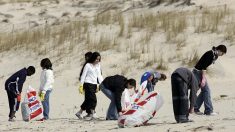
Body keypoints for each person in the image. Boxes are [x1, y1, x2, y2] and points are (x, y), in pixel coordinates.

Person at [193, 45, 227, 115]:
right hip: (197, 73)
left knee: (205, 91)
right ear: (219, 50)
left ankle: (195, 108)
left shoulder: (214, 55)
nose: (222, 55)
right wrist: (203, 78)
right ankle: (208, 111)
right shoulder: (210, 54)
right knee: (206, 91)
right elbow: (204, 66)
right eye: (222, 53)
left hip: (199, 72)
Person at [75, 52, 103, 120]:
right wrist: (81, 85)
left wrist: (100, 84)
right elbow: (83, 75)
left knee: (88, 99)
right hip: (87, 83)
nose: (98, 61)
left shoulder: (98, 65)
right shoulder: (88, 65)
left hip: (94, 84)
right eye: (96, 59)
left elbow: (99, 75)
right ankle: (93, 113)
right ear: (93, 58)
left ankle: (79, 112)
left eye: (99, 59)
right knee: (93, 99)